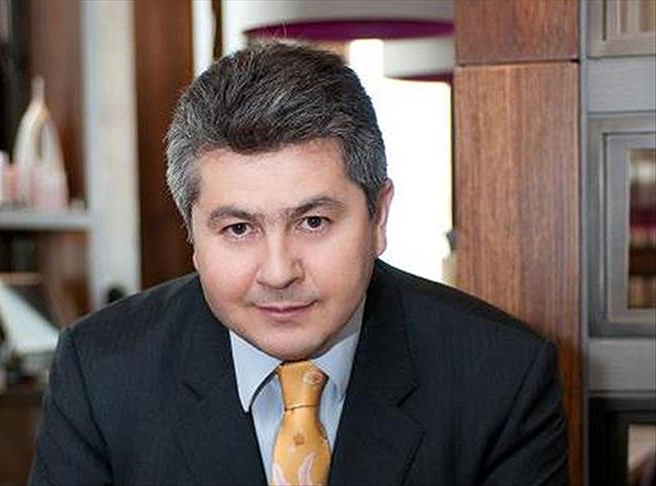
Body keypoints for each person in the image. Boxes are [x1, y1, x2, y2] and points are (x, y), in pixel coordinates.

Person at [29, 42, 568, 485]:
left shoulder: (502, 378)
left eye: (313, 222)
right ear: (192, 233)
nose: (278, 272)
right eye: (239, 229)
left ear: (378, 216)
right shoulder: (101, 372)